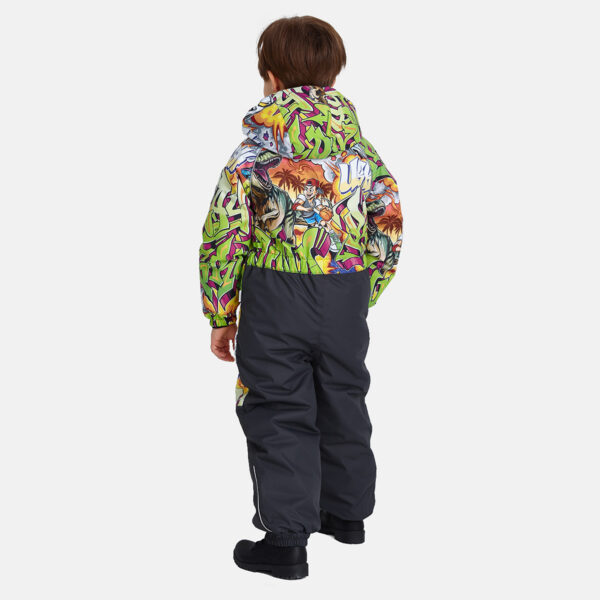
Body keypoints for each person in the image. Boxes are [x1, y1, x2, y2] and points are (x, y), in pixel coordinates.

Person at [199, 15, 403, 580]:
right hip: (345, 291)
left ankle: (287, 542)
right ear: (334, 76)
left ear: (269, 77)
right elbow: (388, 222)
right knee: (343, 395)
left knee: (277, 407)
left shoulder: (252, 154)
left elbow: (225, 232)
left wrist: (221, 311)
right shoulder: (361, 152)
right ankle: (346, 515)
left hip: (275, 294)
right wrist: (365, 289)